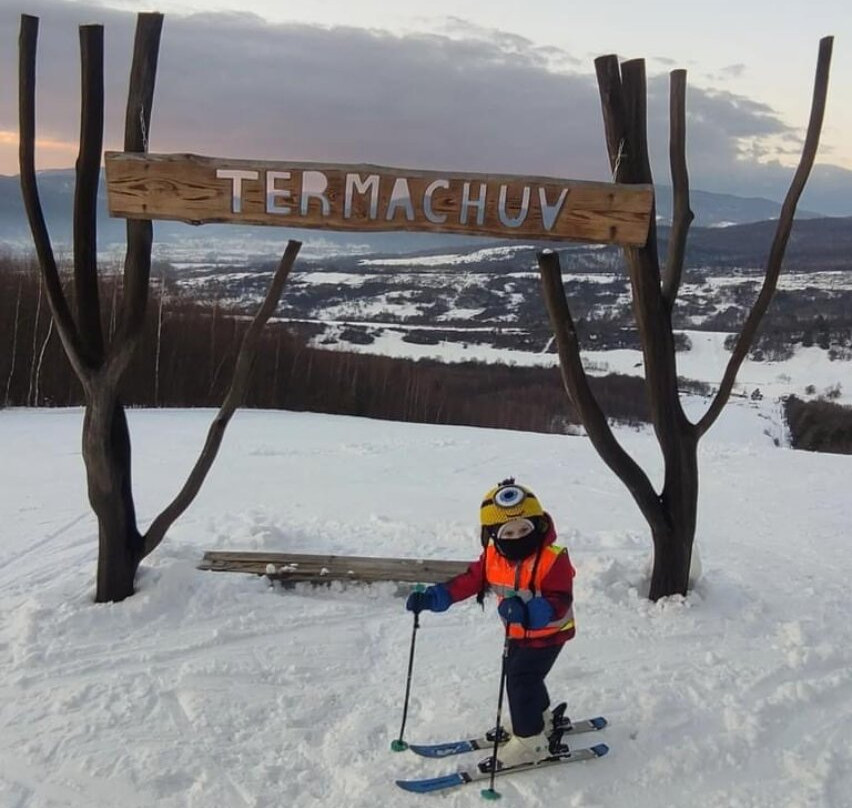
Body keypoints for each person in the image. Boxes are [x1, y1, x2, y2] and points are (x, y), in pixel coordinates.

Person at [406, 478, 576, 770]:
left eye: (525, 529)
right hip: (515, 632)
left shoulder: (552, 558)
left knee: (521, 678)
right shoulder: (493, 558)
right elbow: (468, 581)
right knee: (522, 675)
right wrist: (435, 597)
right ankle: (539, 718)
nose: (518, 536)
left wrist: (530, 613)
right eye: (508, 532)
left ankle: (530, 741)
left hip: (550, 633)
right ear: (493, 535)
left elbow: (560, 598)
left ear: (539, 525)